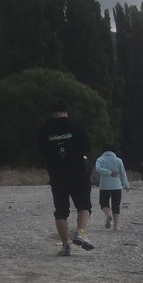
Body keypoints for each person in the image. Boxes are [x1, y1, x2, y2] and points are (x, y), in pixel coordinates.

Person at [36, 97, 95, 255]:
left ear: (50, 112)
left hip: (57, 174)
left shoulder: (43, 130)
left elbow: (42, 152)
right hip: (78, 172)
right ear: (66, 111)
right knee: (84, 206)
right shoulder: (76, 126)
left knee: (61, 211)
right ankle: (80, 233)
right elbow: (87, 147)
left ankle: (65, 246)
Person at [95, 143, 131, 230]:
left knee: (104, 203)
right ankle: (116, 226)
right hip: (117, 186)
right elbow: (123, 174)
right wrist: (126, 185)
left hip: (104, 186)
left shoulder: (100, 159)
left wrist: (108, 172)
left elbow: (98, 169)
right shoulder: (118, 160)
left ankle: (108, 215)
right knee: (116, 206)